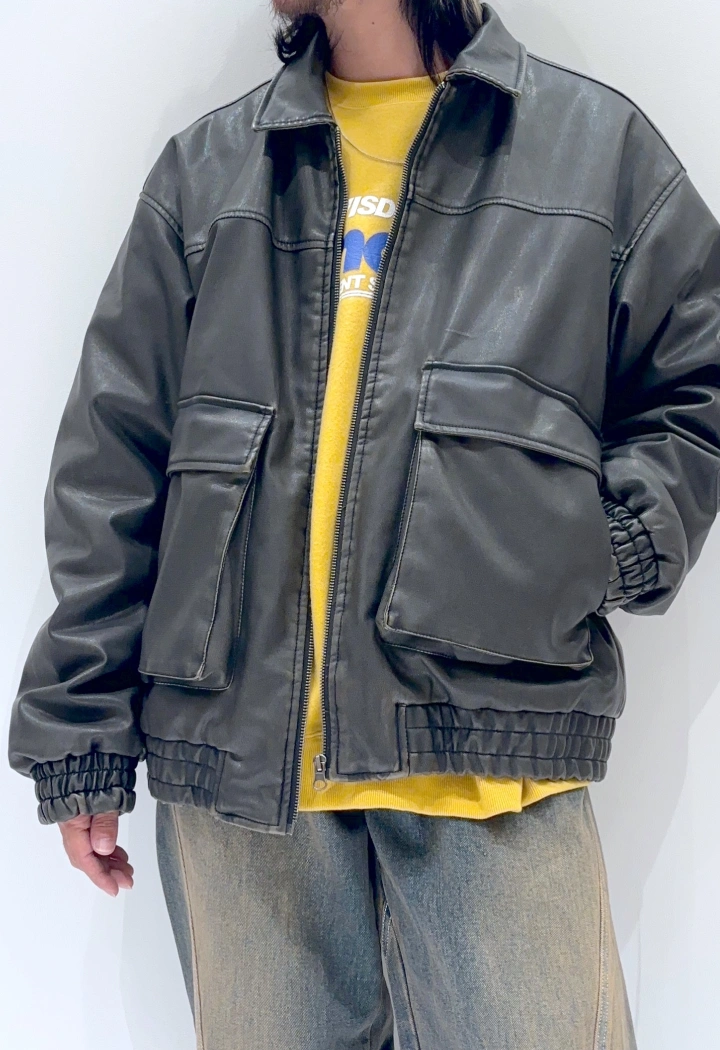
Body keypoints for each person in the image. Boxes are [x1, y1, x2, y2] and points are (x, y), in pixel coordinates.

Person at [8, 0, 720, 1045]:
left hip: (491, 764)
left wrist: (608, 548)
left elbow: (697, 389)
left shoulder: (596, 153)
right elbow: (114, 466)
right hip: (243, 793)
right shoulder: (208, 174)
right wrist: (81, 730)